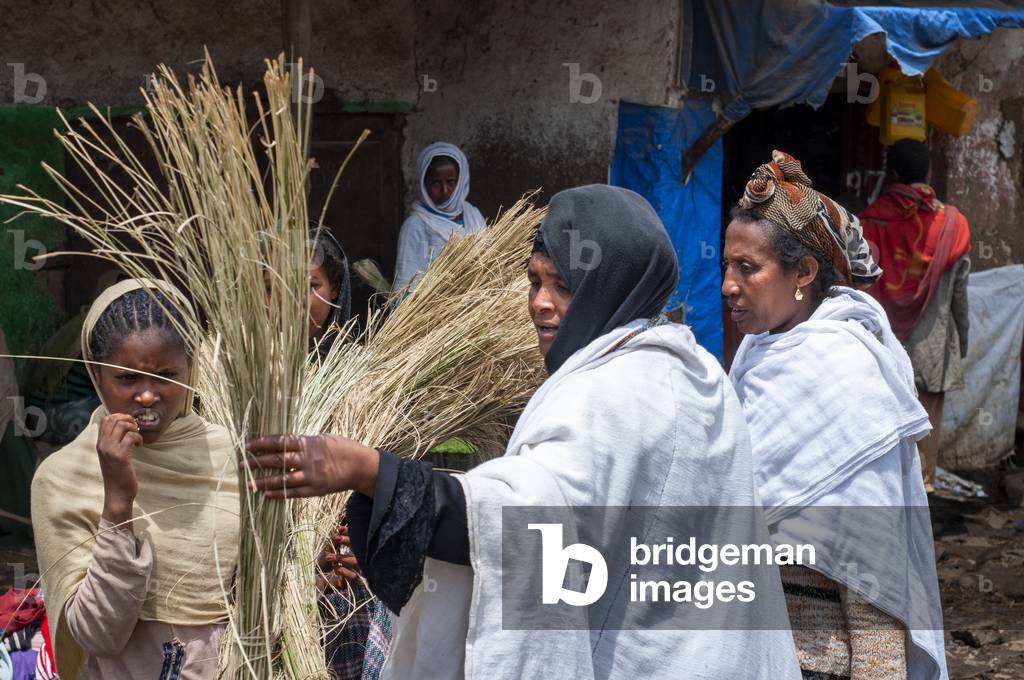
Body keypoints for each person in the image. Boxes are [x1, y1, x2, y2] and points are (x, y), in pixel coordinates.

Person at [246, 184, 801, 679]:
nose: (540, 301)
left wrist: (368, 469)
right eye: (535, 280)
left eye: (563, 284)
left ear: (613, 285)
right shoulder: (692, 369)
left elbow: (529, 524)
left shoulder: (617, 391)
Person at [723, 150, 947, 679]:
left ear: (803, 272)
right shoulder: (756, 357)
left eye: (747, 268)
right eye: (727, 266)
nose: (730, 284)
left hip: (816, 664)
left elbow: (874, 567)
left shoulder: (850, 380)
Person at [30, 278, 239, 679]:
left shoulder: (231, 458)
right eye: (127, 379)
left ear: (191, 368)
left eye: (166, 376)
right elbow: (97, 636)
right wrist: (118, 505)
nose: (147, 395)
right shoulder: (61, 480)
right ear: (96, 374)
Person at [859, 139, 971, 492]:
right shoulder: (953, 224)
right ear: (928, 172)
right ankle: (924, 490)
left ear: (891, 174)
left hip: (883, 347)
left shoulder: (869, 221)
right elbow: (959, 296)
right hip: (934, 346)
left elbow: (858, 288)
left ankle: (888, 494)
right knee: (927, 429)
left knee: (884, 425)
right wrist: (962, 340)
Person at [392, 143, 486, 292]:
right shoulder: (415, 225)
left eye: (451, 182)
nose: (444, 190)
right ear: (423, 183)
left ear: (461, 181)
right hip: (436, 308)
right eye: (436, 183)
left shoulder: (473, 215)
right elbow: (406, 283)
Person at [308, 225, 354, 360]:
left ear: (334, 288)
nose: (292, 302)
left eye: (309, 286)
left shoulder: (356, 374)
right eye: (272, 289)